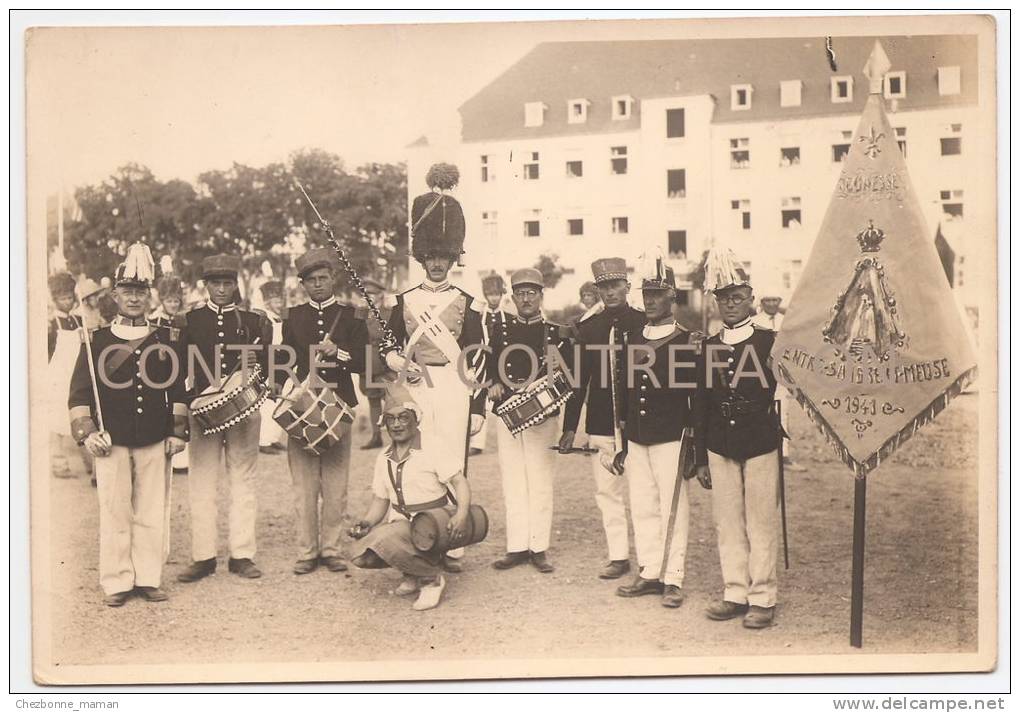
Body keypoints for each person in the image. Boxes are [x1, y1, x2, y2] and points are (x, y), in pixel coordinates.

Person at [68, 243, 188, 606]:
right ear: (115, 295)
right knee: (115, 509)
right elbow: (78, 395)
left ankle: (149, 577)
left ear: (148, 295)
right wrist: (88, 433)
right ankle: (118, 580)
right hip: (112, 438)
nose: (134, 298)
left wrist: (177, 431)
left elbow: (178, 388)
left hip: (154, 436)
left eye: (140, 291)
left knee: (152, 509)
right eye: (127, 291)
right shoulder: (96, 342)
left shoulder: (166, 338)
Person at [381, 163, 487, 574]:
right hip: (416, 383)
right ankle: (415, 542)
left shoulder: (466, 301)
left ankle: (453, 545)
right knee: (416, 458)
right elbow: (387, 347)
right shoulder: (404, 301)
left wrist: (477, 408)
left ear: (452, 258)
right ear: (422, 259)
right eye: (431, 257)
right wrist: (395, 361)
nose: (438, 263)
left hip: (455, 387)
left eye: (444, 257)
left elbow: (477, 359)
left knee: (452, 461)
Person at [693, 247, 784, 629]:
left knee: (760, 520)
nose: (730, 304)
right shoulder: (708, 346)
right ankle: (735, 592)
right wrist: (700, 456)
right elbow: (700, 402)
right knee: (727, 521)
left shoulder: (769, 342)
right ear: (715, 303)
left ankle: (762, 597)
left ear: (750, 298)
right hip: (720, 442)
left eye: (737, 297)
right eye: (723, 298)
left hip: (760, 438)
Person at [176, 254, 272, 583]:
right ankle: (203, 557)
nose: (221, 289)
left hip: (244, 410)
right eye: (215, 283)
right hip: (202, 412)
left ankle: (242, 555)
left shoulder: (255, 322)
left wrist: (259, 383)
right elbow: (177, 371)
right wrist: (190, 403)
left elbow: (270, 366)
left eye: (227, 283)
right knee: (201, 482)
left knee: (243, 481)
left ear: (235, 285)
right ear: (206, 286)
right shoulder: (188, 321)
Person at [615, 258, 697, 608]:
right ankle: (649, 570)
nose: (649, 300)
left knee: (672, 508)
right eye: (646, 294)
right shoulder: (632, 338)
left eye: (657, 294)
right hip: (637, 435)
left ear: (672, 297)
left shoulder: (687, 341)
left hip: (671, 436)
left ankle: (673, 576)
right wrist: (621, 440)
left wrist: (694, 444)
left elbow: (696, 397)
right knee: (642, 504)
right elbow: (624, 392)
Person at [281, 247, 369, 575]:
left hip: (340, 407)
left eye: (323, 278)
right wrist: (285, 388)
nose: (318, 284)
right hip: (302, 409)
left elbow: (366, 361)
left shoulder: (351, 317)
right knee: (304, 484)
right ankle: (307, 551)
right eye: (311, 280)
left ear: (333, 278)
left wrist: (341, 352)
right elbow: (283, 362)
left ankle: (331, 549)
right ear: (302, 284)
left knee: (335, 483)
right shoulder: (292, 318)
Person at [559, 257, 646, 580]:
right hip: (600, 423)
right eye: (604, 287)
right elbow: (578, 380)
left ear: (627, 285)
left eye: (615, 285)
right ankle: (618, 556)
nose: (610, 292)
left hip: (637, 424)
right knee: (607, 493)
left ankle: (649, 561)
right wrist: (570, 427)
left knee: (642, 494)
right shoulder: (589, 328)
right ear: (597, 290)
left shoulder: (643, 323)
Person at [349, 386, 472, 611]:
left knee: (386, 539)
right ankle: (412, 573)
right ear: (384, 424)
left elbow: (459, 482)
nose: (397, 424)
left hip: (436, 523)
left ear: (416, 420)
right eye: (391, 419)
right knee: (360, 555)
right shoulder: (383, 457)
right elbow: (380, 499)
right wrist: (366, 523)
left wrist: (462, 514)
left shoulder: (433, 446)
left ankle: (431, 579)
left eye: (403, 418)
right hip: (403, 525)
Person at [486, 268, 572, 574]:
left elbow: (567, 376)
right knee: (512, 480)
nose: (526, 298)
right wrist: (494, 382)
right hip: (507, 411)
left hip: (542, 414)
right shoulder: (500, 327)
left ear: (541, 296)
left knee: (539, 481)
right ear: (513, 297)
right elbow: (490, 362)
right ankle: (517, 547)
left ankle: (538, 547)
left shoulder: (555, 332)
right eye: (520, 293)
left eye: (531, 293)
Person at [751, 294, 806, 472]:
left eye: (776, 300)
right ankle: (760, 453)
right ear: (762, 302)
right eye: (768, 300)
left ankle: (784, 455)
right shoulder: (753, 322)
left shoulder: (786, 322)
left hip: (781, 373)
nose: (772, 304)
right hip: (759, 374)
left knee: (783, 412)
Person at [48, 272, 87, 479]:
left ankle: (89, 462)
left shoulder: (79, 319)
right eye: (62, 298)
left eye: (69, 297)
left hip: (77, 371)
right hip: (59, 375)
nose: (67, 302)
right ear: (55, 299)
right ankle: (59, 462)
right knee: (58, 418)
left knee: (80, 413)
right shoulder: (53, 322)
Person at [472, 271, 512, 455]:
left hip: (500, 363)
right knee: (480, 400)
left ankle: (510, 437)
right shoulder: (478, 317)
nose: (494, 298)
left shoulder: (508, 317)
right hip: (481, 361)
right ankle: (477, 443)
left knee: (502, 400)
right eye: (490, 294)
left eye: (497, 294)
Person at [356, 276, 390, 450]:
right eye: (365, 294)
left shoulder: (388, 314)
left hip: (385, 365)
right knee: (373, 400)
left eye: (372, 294)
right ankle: (376, 436)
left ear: (380, 295)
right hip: (366, 363)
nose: (368, 297)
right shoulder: (360, 316)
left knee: (392, 399)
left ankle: (399, 436)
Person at [257, 279, 287, 454]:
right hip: (269, 362)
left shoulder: (279, 317)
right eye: (276, 302)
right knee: (267, 403)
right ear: (268, 302)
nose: (279, 305)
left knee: (281, 401)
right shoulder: (264, 319)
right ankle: (263, 440)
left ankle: (274, 437)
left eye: (280, 301)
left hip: (281, 361)